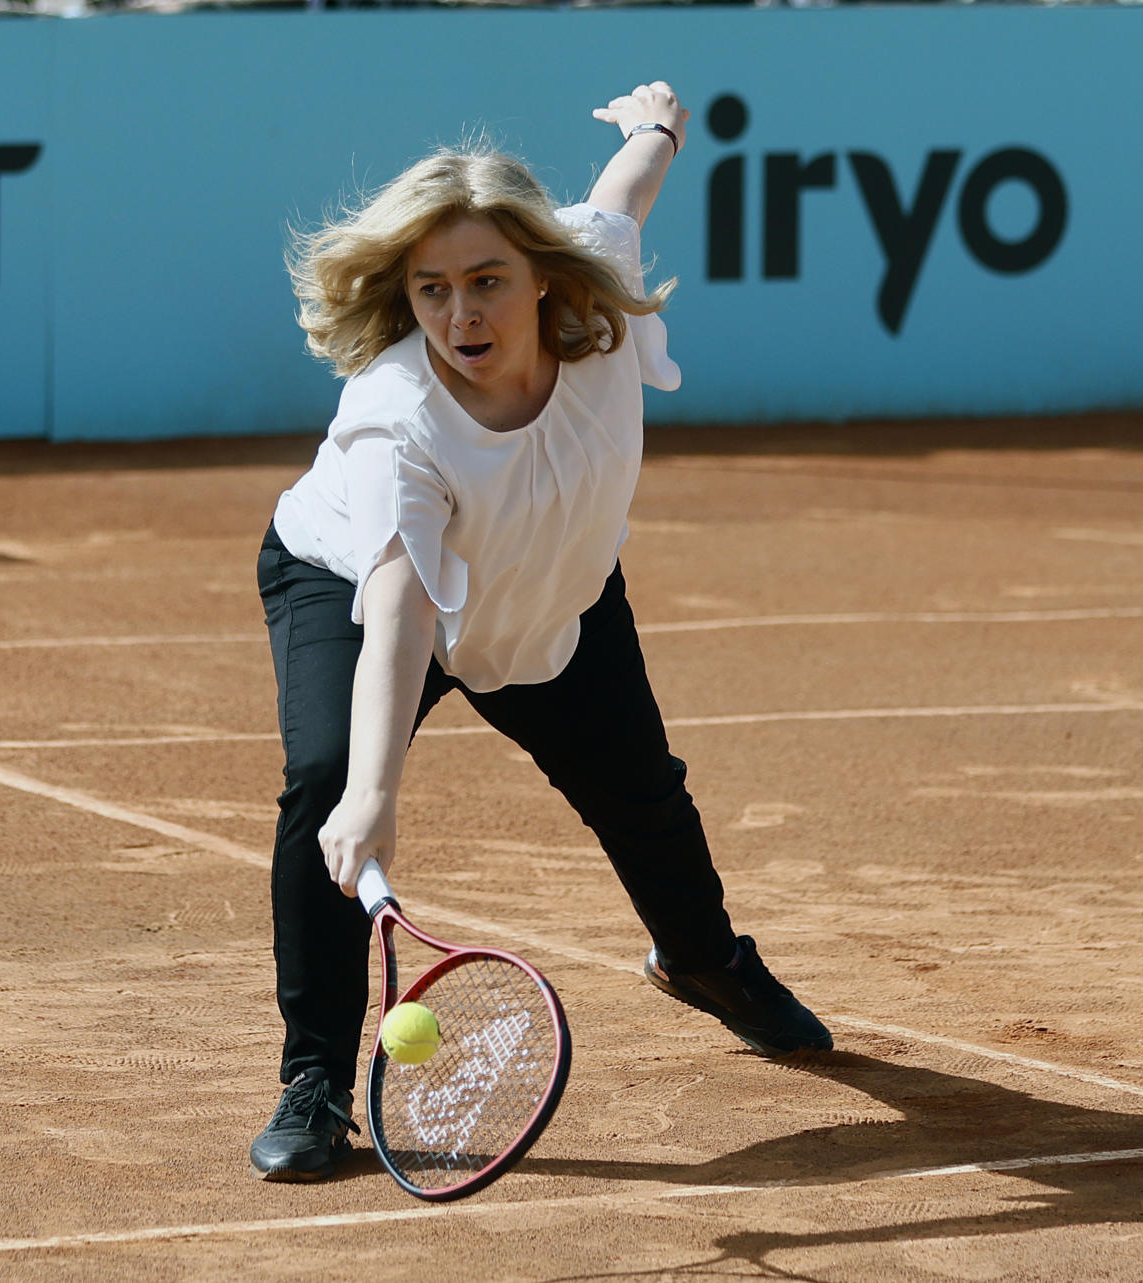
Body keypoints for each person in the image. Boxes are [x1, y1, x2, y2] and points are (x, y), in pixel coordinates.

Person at [250, 81, 832, 1184]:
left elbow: (625, 190)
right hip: (352, 583)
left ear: (541, 275)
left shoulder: (597, 303)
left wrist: (657, 123)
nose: (460, 315)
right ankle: (319, 1076)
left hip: (552, 585)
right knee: (325, 780)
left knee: (642, 792)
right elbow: (403, 609)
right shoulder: (396, 420)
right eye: (431, 290)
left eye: (484, 282)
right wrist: (372, 797)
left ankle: (704, 960)